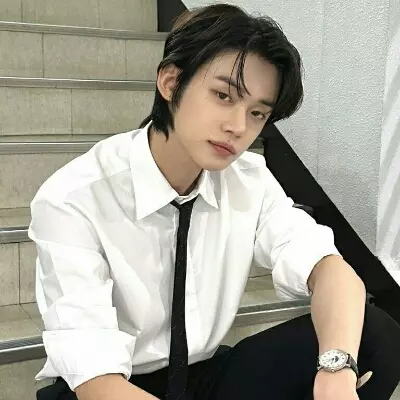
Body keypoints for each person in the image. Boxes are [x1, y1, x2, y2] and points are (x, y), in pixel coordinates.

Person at [30, 3, 400, 400]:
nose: (238, 127)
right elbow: (96, 381)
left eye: (257, 113)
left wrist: (335, 370)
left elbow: (331, 271)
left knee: (375, 335)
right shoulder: (72, 198)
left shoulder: (249, 180)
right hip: (111, 385)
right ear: (171, 82)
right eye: (223, 95)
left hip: (202, 376)